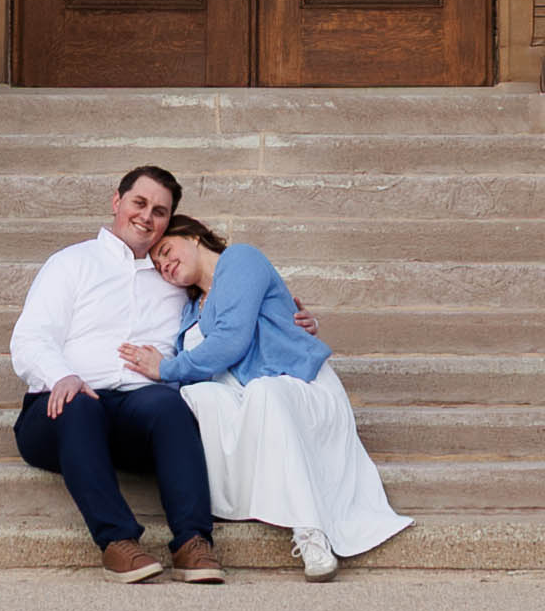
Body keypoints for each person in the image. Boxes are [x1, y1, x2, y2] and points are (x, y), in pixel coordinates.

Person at [122, 213, 413, 579]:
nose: (164, 264)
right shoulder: (188, 310)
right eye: (158, 265)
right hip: (248, 405)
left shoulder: (240, 259)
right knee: (199, 398)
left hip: (298, 387)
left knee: (265, 392)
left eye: (166, 250)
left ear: (194, 237)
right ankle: (218, 503)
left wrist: (163, 368)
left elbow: (230, 342)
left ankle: (311, 531)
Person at [5, 160, 221, 580]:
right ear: (116, 202)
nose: (146, 216)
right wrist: (61, 376)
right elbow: (30, 338)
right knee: (79, 404)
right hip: (60, 411)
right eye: (139, 203)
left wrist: (288, 315)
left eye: (160, 211)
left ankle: (194, 542)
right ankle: (118, 542)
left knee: (168, 405)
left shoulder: (173, 277)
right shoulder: (72, 263)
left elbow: (231, 297)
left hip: (134, 416)